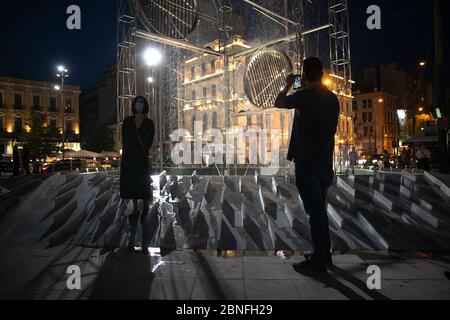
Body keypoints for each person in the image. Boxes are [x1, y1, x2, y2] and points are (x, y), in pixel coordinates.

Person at [275, 57, 340, 273]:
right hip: (325, 165)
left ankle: (319, 259)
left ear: (304, 75)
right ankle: (325, 254)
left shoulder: (303, 96)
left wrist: (287, 84)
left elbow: (279, 102)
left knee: (315, 213)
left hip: (307, 164)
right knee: (320, 211)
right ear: (321, 74)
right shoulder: (332, 98)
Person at [120, 96, 155, 254]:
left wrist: (147, 157)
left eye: (141, 103)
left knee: (142, 181)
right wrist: (126, 155)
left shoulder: (149, 123)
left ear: (144, 106)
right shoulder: (127, 121)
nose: (139, 105)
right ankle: (135, 207)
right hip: (130, 156)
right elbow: (125, 140)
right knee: (133, 182)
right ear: (134, 105)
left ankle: (145, 205)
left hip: (142, 155)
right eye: (137, 103)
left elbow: (149, 142)